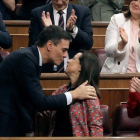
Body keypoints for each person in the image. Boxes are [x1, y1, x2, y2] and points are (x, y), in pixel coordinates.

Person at [0, 25, 96, 136]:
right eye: (63, 50)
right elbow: (40, 102)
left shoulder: (31, 58)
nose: (65, 56)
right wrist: (74, 94)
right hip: (6, 123)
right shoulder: (26, 59)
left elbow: (29, 95)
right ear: (49, 45)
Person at [49, 51, 103, 137]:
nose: (68, 60)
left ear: (81, 67)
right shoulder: (62, 90)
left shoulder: (88, 92)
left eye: (73, 59)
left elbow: (95, 127)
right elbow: (46, 104)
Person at [29, 0, 93, 72]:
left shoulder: (82, 12)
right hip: (46, 71)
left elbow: (88, 43)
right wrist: (49, 30)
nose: (59, 2)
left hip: (75, 71)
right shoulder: (38, 13)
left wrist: (73, 30)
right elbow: (33, 45)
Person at [101, 0, 140, 73]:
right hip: (116, 74)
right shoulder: (116, 19)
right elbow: (108, 51)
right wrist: (122, 43)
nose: (136, 4)